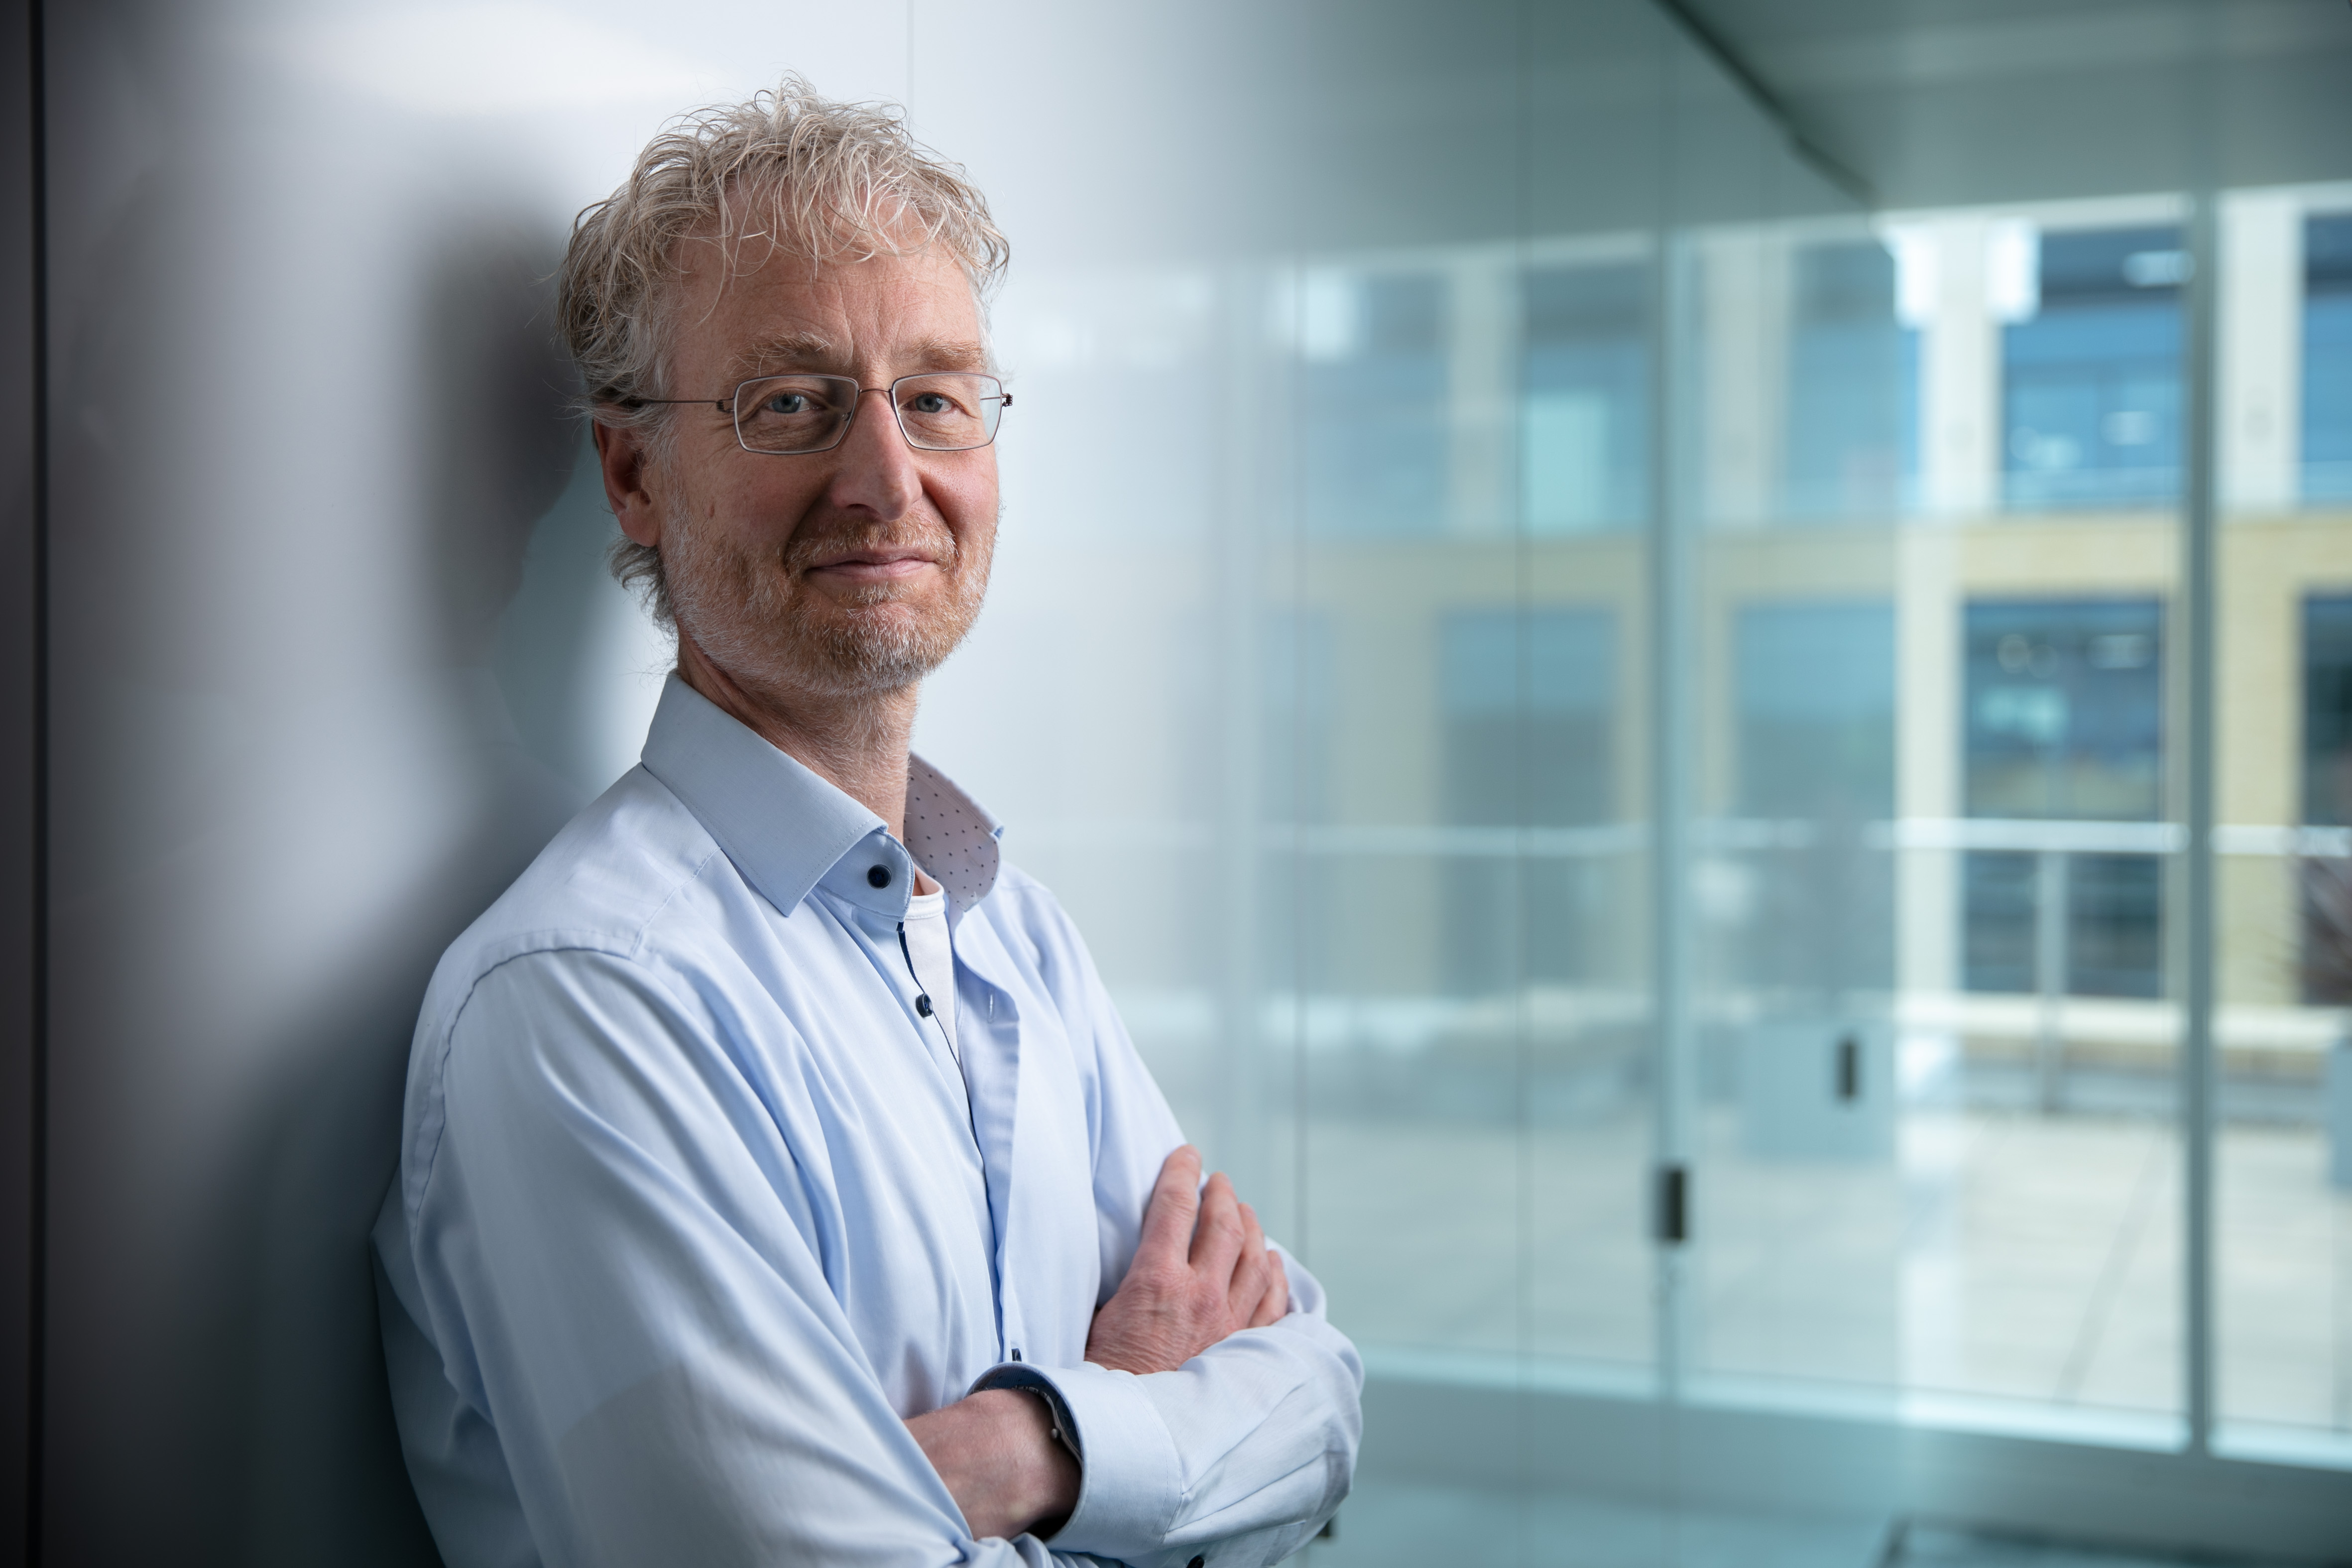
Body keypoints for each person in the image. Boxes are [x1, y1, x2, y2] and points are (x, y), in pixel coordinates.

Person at [370, 78, 1363, 1568]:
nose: (886, 479)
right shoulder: (585, 1004)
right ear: (635, 475)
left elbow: (1323, 1400)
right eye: (792, 404)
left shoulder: (1007, 932)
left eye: (936, 399)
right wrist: (1149, 1413)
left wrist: (1039, 1445)